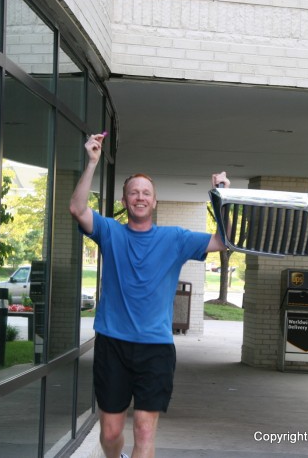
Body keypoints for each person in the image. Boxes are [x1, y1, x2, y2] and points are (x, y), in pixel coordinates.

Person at [69, 133, 230, 458]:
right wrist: (92, 162)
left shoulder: (176, 238)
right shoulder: (109, 231)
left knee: (144, 429)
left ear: (154, 202)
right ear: (125, 201)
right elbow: (76, 207)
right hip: (112, 344)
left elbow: (222, 241)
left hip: (155, 348)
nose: (139, 197)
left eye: (146, 193)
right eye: (133, 193)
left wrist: (222, 196)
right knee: (111, 432)